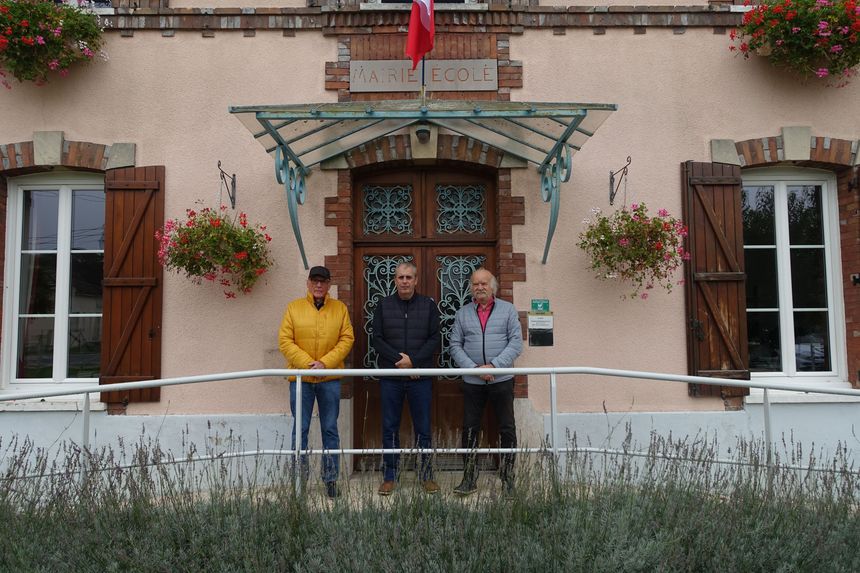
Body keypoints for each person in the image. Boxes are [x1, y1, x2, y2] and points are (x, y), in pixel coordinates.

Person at [278, 265, 355, 499]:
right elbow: (285, 340)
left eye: (323, 281)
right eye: (315, 281)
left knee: (330, 429)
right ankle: (299, 480)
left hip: (329, 379)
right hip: (301, 379)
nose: (319, 285)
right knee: (299, 429)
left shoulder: (339, 309)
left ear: (329, 284)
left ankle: (330, 479)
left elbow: (346, 338)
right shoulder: (294, 308)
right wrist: (309, 363)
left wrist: (325, 364)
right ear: (308, 283)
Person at [449, 268, 523, 496]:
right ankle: (469, 479)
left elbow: (516, 343)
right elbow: (455, 345)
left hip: (501, 379)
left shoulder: (508, 310)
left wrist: (494, 366)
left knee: (507, 429)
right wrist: (474, 369)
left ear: (493, 287)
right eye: (475, 284)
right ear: (471, 287)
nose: (479, 287)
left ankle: (508, 479)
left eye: (484, 283)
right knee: (470, 429)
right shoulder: (463, 313)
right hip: (473, 382)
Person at [372, 261, 441, 496]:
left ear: (416, 280)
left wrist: (414, 361)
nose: (404, 281)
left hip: (419, 377)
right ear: (395, 280)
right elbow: (377, 339)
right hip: (391, 377)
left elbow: (434, 339)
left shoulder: (428, 306)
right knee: (389, 427)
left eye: (408, 277)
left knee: (423, 427)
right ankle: (390, 476)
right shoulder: (383, 305)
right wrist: (400, 362)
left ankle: (427, 475)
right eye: (400, 277)